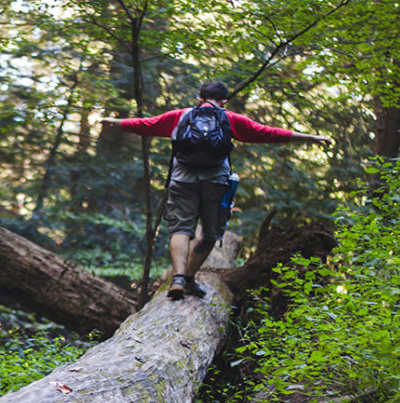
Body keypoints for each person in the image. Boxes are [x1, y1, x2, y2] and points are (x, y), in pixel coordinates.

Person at [101, 81, 331, 299]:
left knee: (181, 229)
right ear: (224, 101)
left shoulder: (180, 116)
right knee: (210, 234)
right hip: (216, 181)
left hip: (182, 179)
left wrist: (115, 122)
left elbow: (145, 125)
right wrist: (310, 137)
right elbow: (268, 133)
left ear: (200, 98)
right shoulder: (230, 119)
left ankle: (178, 279)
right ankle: (189, 278)